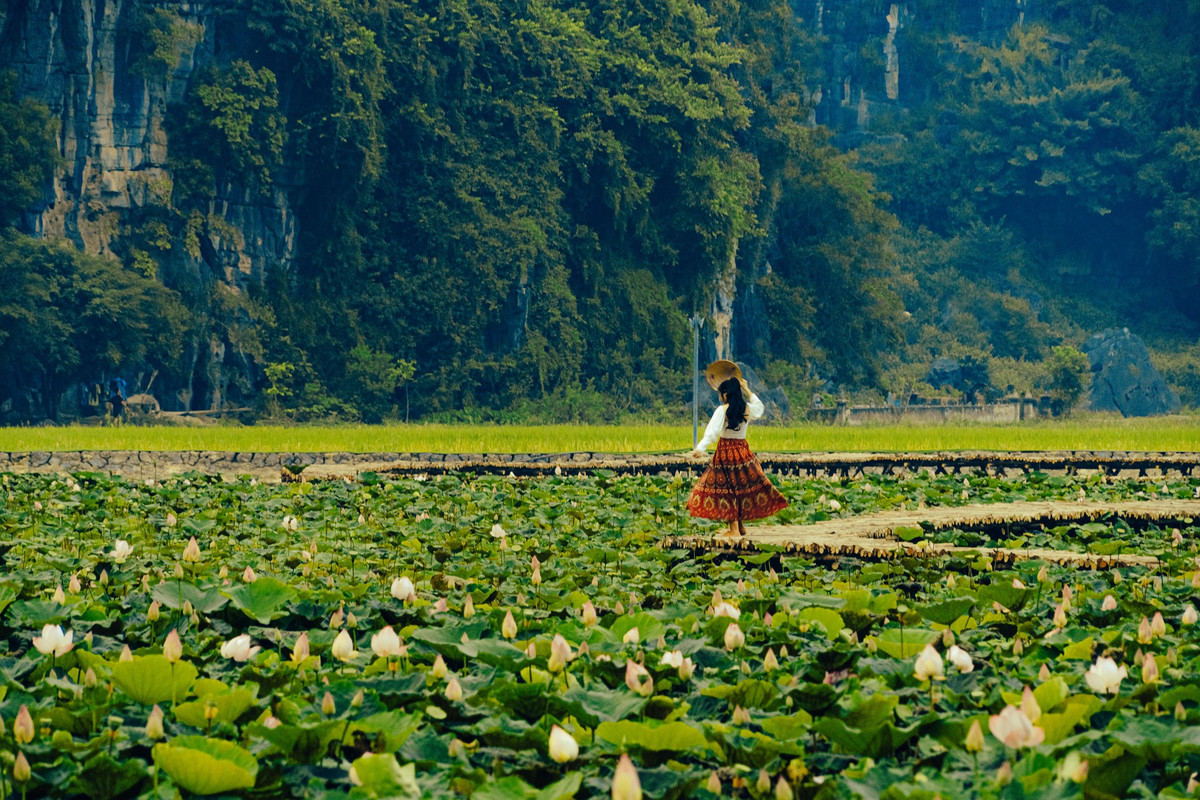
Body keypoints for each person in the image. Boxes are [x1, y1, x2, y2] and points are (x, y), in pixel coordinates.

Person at [686, 360, 788, 537]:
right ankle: (739, 527)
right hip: (742, 452)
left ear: (726, 394)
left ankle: (733, 529)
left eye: (721, 393)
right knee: (739, 489)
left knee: (726, 490)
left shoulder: (722, 410)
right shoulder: (747, 409)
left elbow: (712, 433)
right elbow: (760, 407)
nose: (720, 397)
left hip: (725, 453)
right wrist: (747, 389)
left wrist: (700, 448)